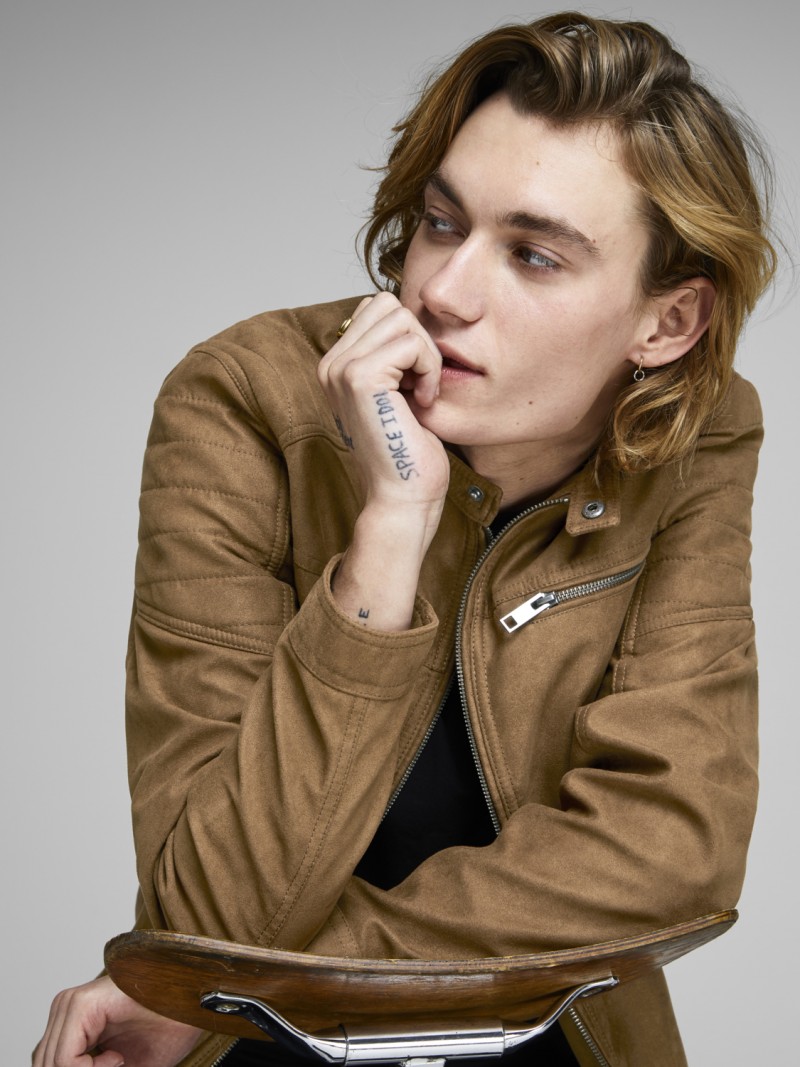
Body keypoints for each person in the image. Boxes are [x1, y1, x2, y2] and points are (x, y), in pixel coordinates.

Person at [33, 11, 776, 1067]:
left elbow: (669, 848)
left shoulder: (696, 437)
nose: (441, 291)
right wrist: (390, 524)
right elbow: (205, 909)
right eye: (440, 222)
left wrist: (273, 983)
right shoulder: (244, 401)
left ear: (667, 324)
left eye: (533, 255)